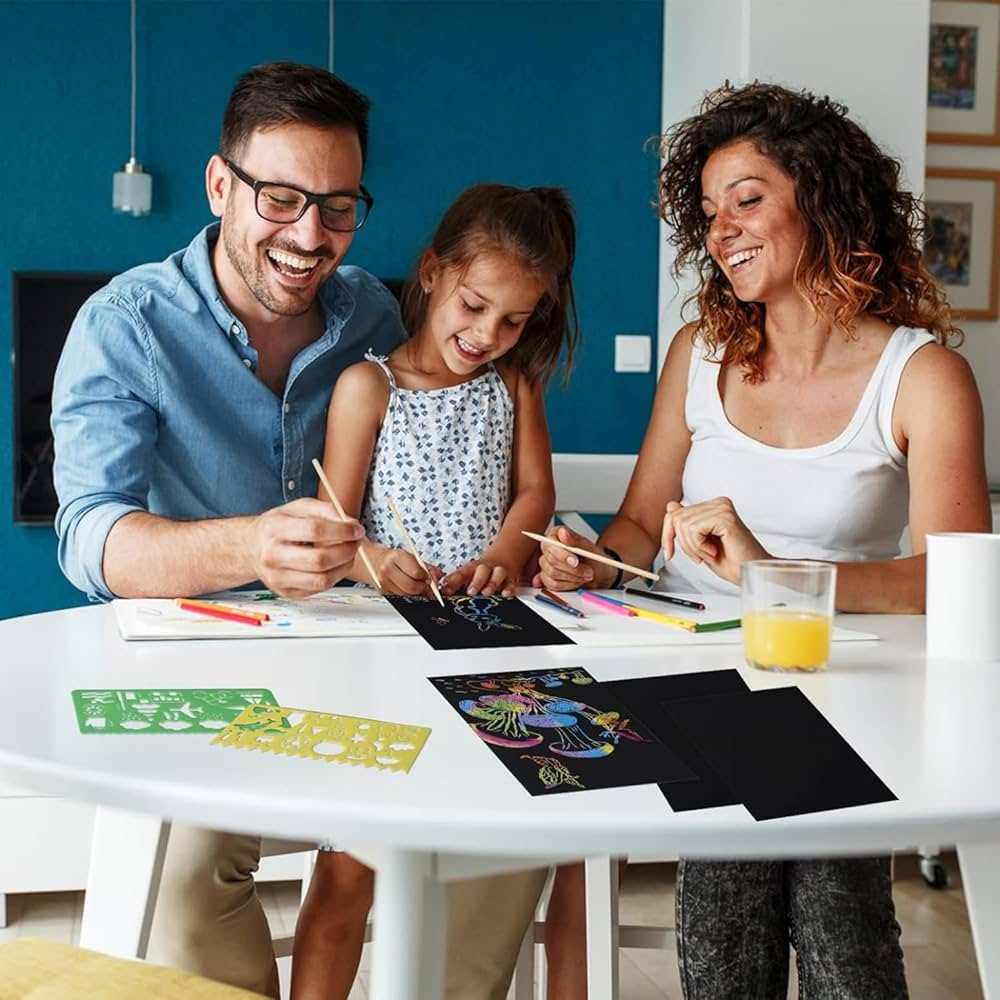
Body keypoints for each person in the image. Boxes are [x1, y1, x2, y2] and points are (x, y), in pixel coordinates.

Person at [49, 62, 535, 1000]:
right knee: (185, 888)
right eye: (280, 198)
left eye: (339, 207)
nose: (311, 236)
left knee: (510, 816)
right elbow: (89, 538)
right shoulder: (126, 325)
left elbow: (468, 433)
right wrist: (248, 547)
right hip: (208, 664)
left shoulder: (376, 317)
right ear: (219, 185)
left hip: (371, 653)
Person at [535, 82, 991, 999]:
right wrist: (594, 561)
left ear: (824, 202)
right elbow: (639, 525)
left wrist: (776, 579)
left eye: (747, 200)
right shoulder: (697, 354)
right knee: (724, 934)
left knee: (838, 929)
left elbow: (957, 580)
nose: (721, 231)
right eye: (709, 212)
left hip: (850, 693)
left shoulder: (922, 377)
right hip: (704, 684)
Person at [291, 182, 579, 1000]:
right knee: (349, 870)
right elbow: (337, 525)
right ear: (431, 273)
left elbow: (535, 493)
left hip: (487, 647)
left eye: (514, 320)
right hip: (385, 655)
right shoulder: (367, 386)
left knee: (477, 850)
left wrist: (504, 555)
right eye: (475, 306)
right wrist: (374, 562)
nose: (487, 335)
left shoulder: (513, 385)